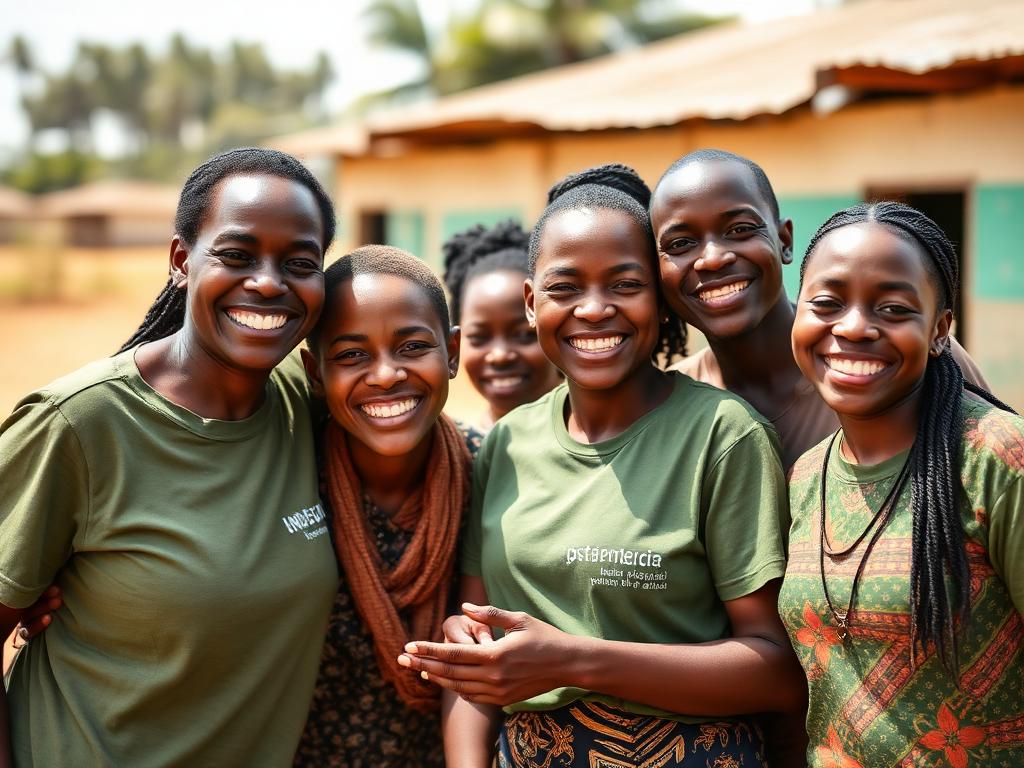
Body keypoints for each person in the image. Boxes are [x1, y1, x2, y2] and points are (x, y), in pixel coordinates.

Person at [399, 164, 806, 767]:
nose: (594, 310)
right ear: (533, 304)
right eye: (565, 288)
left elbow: (776, 672)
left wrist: (573, 659)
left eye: (624, 284)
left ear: (662, 301)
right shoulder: (507, 444)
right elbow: (477, 661)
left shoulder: (723, 435)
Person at [0, 147, 339, 767]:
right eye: (236, 256)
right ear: (182, 261)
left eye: (300, 262)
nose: (268, 281)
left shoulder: (306, 404)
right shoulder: (78, 424)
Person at [779, 202, 1023, 767]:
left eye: (891, 308)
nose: (854, 326)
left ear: (939, 331)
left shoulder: (995, 458)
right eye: (826, 303)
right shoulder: (807, 474)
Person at [648, 148, 990, 469]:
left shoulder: (898, 361)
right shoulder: (671, 406)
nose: (713, 259)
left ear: (784, 240)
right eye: (681, 243)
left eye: (740, 229)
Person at [293, 245, 480, 767]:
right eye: (351, 355)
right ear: (315, 371)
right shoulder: (289, 480)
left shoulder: (488, 471)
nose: (384, 375)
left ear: (453, 353)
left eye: (412, 347)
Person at [442, 220, 562, 431]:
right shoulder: (458, 454)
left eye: (524, 335)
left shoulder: (597, 443)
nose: (499, 355)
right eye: (479, 337)